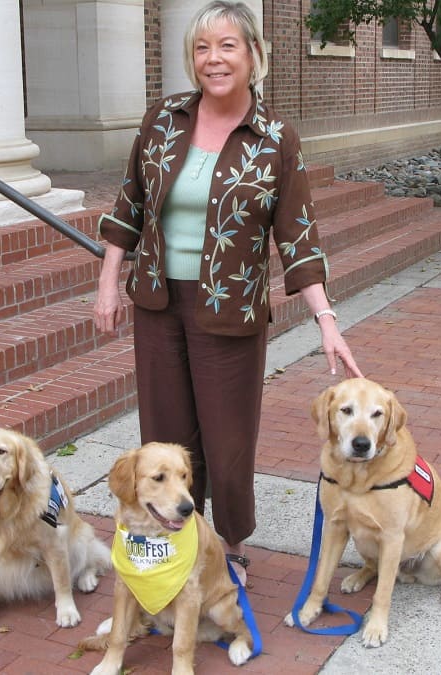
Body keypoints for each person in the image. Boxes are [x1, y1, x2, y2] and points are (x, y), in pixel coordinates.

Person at [93, 0, 362, 585]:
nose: (213, 59)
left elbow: (298, 234)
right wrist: (108, 282)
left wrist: (326, 319)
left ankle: (231, 546)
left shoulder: (273, 138)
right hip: (158, 302)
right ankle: (174, 542)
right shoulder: (163, 119)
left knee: (227, 437)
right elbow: (129, 204)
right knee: (165, 434)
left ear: (254, 55)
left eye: (227, 46)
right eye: (201, 49)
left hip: (231, 309)